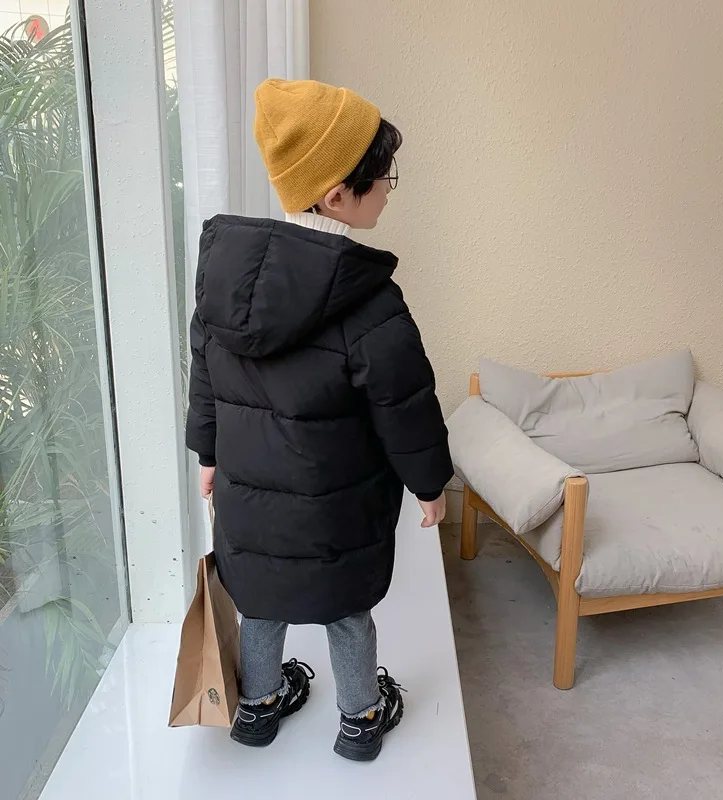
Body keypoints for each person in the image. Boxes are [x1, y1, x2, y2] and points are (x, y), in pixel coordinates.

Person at [185, 78, 453, 762]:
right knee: (345, 609)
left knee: (260, 600)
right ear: (337, 196)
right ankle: (361, 717)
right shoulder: (371, 304)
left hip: (249, 501)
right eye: (384, 176)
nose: (389, 189)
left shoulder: (221, 283)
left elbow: (205, 376)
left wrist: (207, 454)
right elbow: (406, 405)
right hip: (336, 511)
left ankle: (258, 706)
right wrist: (429, 484)